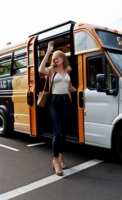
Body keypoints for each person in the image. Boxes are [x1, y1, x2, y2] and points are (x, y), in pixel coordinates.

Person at [39, 41, 73, 176]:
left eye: (58, 57)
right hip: (54, 103)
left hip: (66, 103)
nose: (55, 59)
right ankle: (56, 161)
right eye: (54, 58)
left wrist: (71, 94)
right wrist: (49, 51)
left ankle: (60, 157)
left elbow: (68, 87)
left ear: (63, 59)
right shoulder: (51, 70)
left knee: (63, 134)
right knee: (57, 133)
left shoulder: (67, 70)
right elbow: (40, 69)